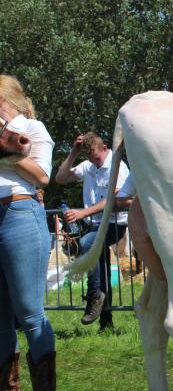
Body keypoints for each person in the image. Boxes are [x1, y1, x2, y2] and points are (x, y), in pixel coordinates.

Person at [0, 74, 60, 391]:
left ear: (5, 102)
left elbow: (42, 177)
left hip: (21, 213)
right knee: (0, 316)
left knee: (29, 312)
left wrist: (8, 153)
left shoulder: (34, 130)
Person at [55, 132, 129, 330]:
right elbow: (60, 178)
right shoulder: (87, 165)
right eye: (89, 158)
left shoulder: (117, 165)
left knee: (88, 244)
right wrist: (73, 152)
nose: (93, 162)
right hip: (95, 225)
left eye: (96, 157)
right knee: (102, 269)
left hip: (115, 224)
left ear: (104, 147)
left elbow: (115, 197)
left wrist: (83, 212)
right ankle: (106, 322)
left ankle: (94, 294)